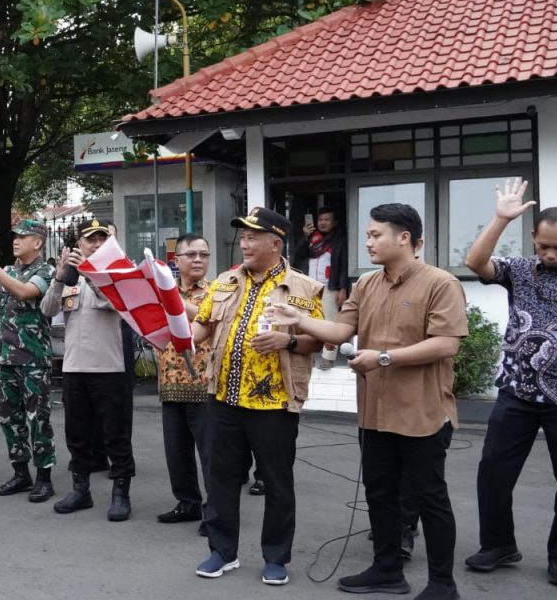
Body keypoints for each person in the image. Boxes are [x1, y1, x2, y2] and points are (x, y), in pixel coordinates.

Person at [268, 203, 466, 600]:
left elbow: (446, 343)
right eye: (369, 235)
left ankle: (443, 583)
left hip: (423, 412)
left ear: (404, 238)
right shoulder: (366, 285)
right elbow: (340, 330)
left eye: (376, 234)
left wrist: (385, 358)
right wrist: (297, 317)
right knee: (379, 493)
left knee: (430, 499)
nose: (368, 241)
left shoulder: (440, 283)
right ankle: (387, 569)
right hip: (375, 412)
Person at [462, 179, 557, 589]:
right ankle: (499, 545)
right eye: (543, 245)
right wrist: (500, 219)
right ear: (533, 238)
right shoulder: (521, 270)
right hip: (517, 391)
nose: (549, 253)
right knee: (493, 471)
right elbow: (475, 263)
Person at [191, 207, 323, 586]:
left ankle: (276, 557)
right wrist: (167, 326)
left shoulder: (302, 287)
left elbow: (319, 339)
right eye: (244, 236)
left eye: (253, 237)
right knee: (220, 479)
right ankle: (222, 551)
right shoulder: (226, 280)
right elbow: (201, 327)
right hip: (223, 399)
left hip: (274, 404)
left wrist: (289, 339)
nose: (245, 243)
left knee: (278, 484)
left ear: (275, 243)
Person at [40, 218, 135, 521]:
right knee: (77, 433)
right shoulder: (70, 277)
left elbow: (119, 303)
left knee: (115, 435)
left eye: (101, 240)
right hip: (74, 368)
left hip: (109, 368)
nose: (94, 245)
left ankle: (121, 493)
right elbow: (47, 310)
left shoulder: (119, 273)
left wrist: (91, 276)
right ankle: (81, 490)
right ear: (78, 245)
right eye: (89, 240)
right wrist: (58, 278)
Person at [0, 219, 56, 503]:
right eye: (15, 236)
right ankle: (21, 473)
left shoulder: (45, 270)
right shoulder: (7, 270)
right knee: (10, 418)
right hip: (6, 358)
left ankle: (44, 478)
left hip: (33, 359)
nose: (16, 241)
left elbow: (26, 292)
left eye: (23, 236)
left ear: (38, 242)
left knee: (38, 419)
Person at [155, 233, 212, 528]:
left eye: (204, 254)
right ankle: (187, 503)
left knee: (211, 456)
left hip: (205, 387)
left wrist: (171, 299)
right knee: (176, 453)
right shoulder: (163, 293)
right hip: (170, 384)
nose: (199, 260)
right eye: (191, 254)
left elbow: (209, 318)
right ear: (177, 260)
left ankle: (215, 511)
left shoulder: (217, 293)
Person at [292, 206, 351, 369]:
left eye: (327, 220)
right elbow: (297, 256)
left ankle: (328, 358)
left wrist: (343, 288)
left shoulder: (338, 240)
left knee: (330, 323)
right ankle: (307, 356)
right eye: (321, 220)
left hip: (329, 287)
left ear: (335, 222)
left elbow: (344, 265)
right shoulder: (311, 239)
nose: (323, 223)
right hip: (308, 287)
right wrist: (304, 236)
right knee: (305, 322)